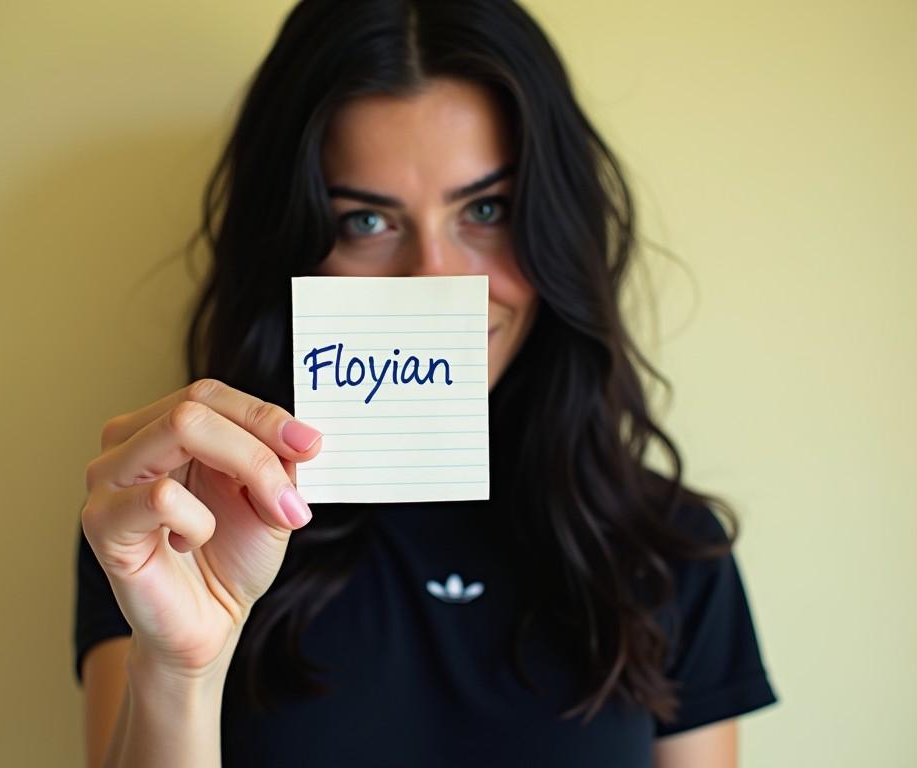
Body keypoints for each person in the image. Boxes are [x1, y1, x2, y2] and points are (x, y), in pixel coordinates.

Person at [73, 1, 778, 765]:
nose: (437, 280)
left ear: (555, 225)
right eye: (367, 222)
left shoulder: (669, 553)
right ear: (293, 246)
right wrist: (182, 672)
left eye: (486, 209)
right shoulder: (176, 519)